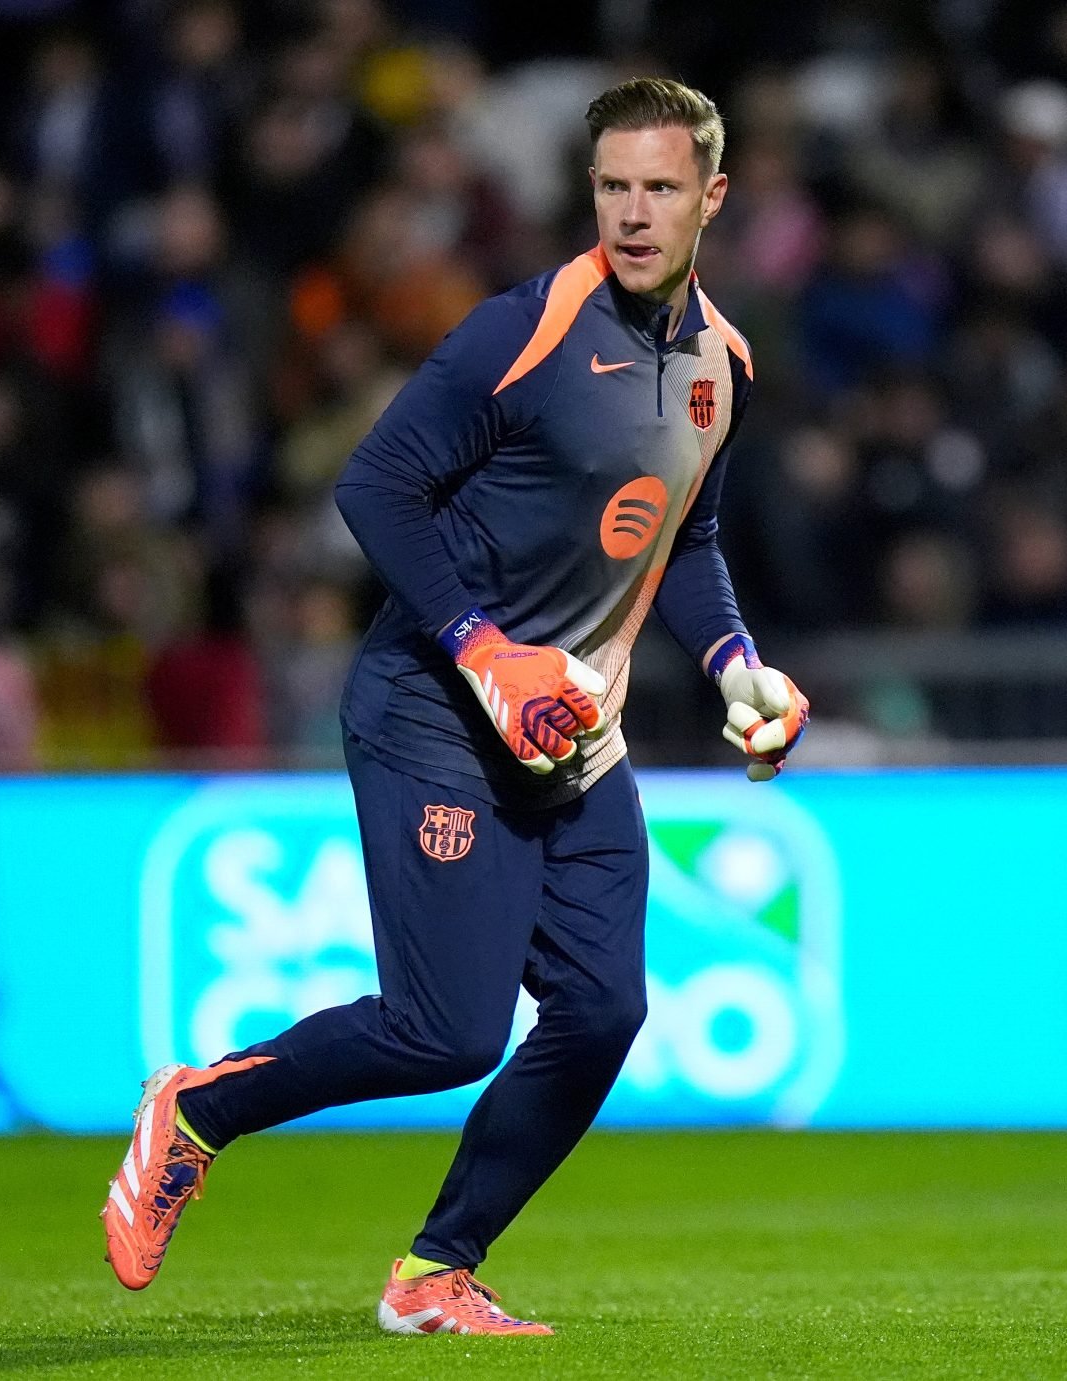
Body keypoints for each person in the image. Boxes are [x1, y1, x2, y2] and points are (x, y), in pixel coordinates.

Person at [99, 77, 809, 1337]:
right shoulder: (522, 331)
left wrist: (736, 664)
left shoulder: (724, 365)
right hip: (435, 710)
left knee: (604, 1011)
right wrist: (486, 652)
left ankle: (436, 1270)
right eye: (612, 186)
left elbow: (685, 540)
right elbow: (375, 487)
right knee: (444, 1032)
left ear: (712, 197)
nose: (633, 212)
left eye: (659, 188)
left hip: (577, 736)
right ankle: (197, 1110)